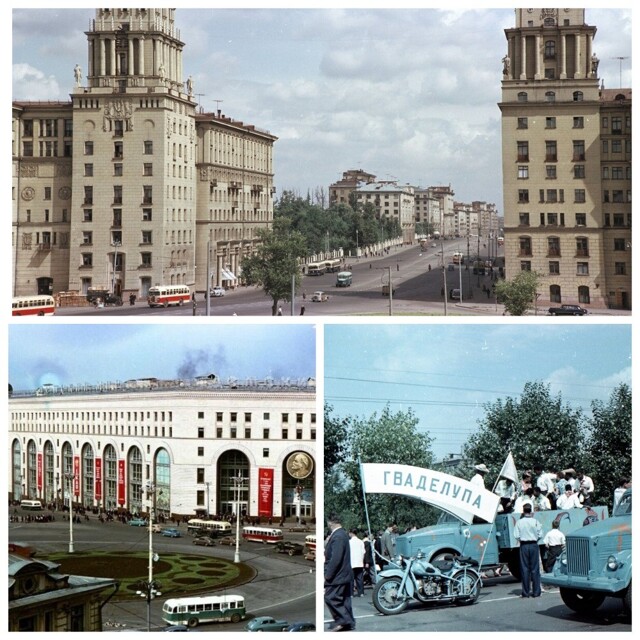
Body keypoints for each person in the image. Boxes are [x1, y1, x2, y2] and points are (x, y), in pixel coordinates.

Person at [324, 514, 355, 632]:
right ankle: (348, 622)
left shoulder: (338, 536)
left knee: (330, 597)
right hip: (344, 574)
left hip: (338, 575)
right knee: (344, 599)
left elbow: (335, 558)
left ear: (331, 523)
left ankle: (343, 620)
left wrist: (328, 575)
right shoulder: (342, 534)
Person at [514, 503, 542, 597]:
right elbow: (540, 534)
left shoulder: (519, 522)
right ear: (531, 511)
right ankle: (536, 592)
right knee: (535, 569)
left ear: (523, 511)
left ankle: (525, 592)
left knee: (525, 569)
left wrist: (522, 539)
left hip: (524, 545)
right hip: (533, 544)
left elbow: (516, 535)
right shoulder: (535, 521)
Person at [348, 529, 365, 597]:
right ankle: (361, 593)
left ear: (351, 533)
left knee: (351, 579)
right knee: (359, 578)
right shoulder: (361, 542)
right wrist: (362, 560)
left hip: (351, 563)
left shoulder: (349, 542)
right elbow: (363, 552)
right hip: (359, 562)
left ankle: (351, 593)